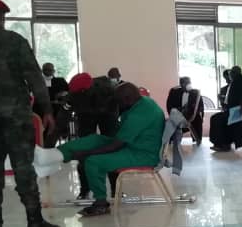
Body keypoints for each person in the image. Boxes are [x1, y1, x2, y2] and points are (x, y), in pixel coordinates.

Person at [0, 0, 60, 227]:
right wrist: (46, 110)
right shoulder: (15, 42)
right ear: (2, 17)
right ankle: (34, 221)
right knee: (23, 167)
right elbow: (35, 79)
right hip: (15, 116)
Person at [56, 83, 165, 217]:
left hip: (142, 155)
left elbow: (116, 145)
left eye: (118, 101)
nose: (116, 104)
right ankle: (56, 154)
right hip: (133, 145)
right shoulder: (144, 102)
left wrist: (85, 154)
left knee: (93, 162)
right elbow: (119, 140)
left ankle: (101, 204)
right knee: (95, 139)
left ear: (127, 99)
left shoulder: (138, 115)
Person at [67, 74, 120, 200]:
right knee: (83, 150)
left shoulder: (109, 90)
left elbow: (119, 112)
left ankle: (116, 190)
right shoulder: (74, 94)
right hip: (85, 114)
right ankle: (84, 189)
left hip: (108, 112)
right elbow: (62, 117)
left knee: (112, 149)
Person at [209, 66, 242, 151]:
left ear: (234, 73)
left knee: (217, 119)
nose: (229, 76)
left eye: (231, 73)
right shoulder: (236, 82)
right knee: (217, 118)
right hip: (236, 110)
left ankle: (223, 144)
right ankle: (223, 144)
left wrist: (236, 116)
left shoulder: (241, 82)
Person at [166, 77, 203, 145]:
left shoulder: (195, 92)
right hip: (177, 113)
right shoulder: (174, 92)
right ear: (180, 84)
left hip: (190, 115)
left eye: (188, 82)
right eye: (183, 83)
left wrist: (191, 112)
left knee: (198, 118)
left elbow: (200, 107)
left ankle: (197, 138)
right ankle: (173, 141)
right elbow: (169, 105)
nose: (186, 84)